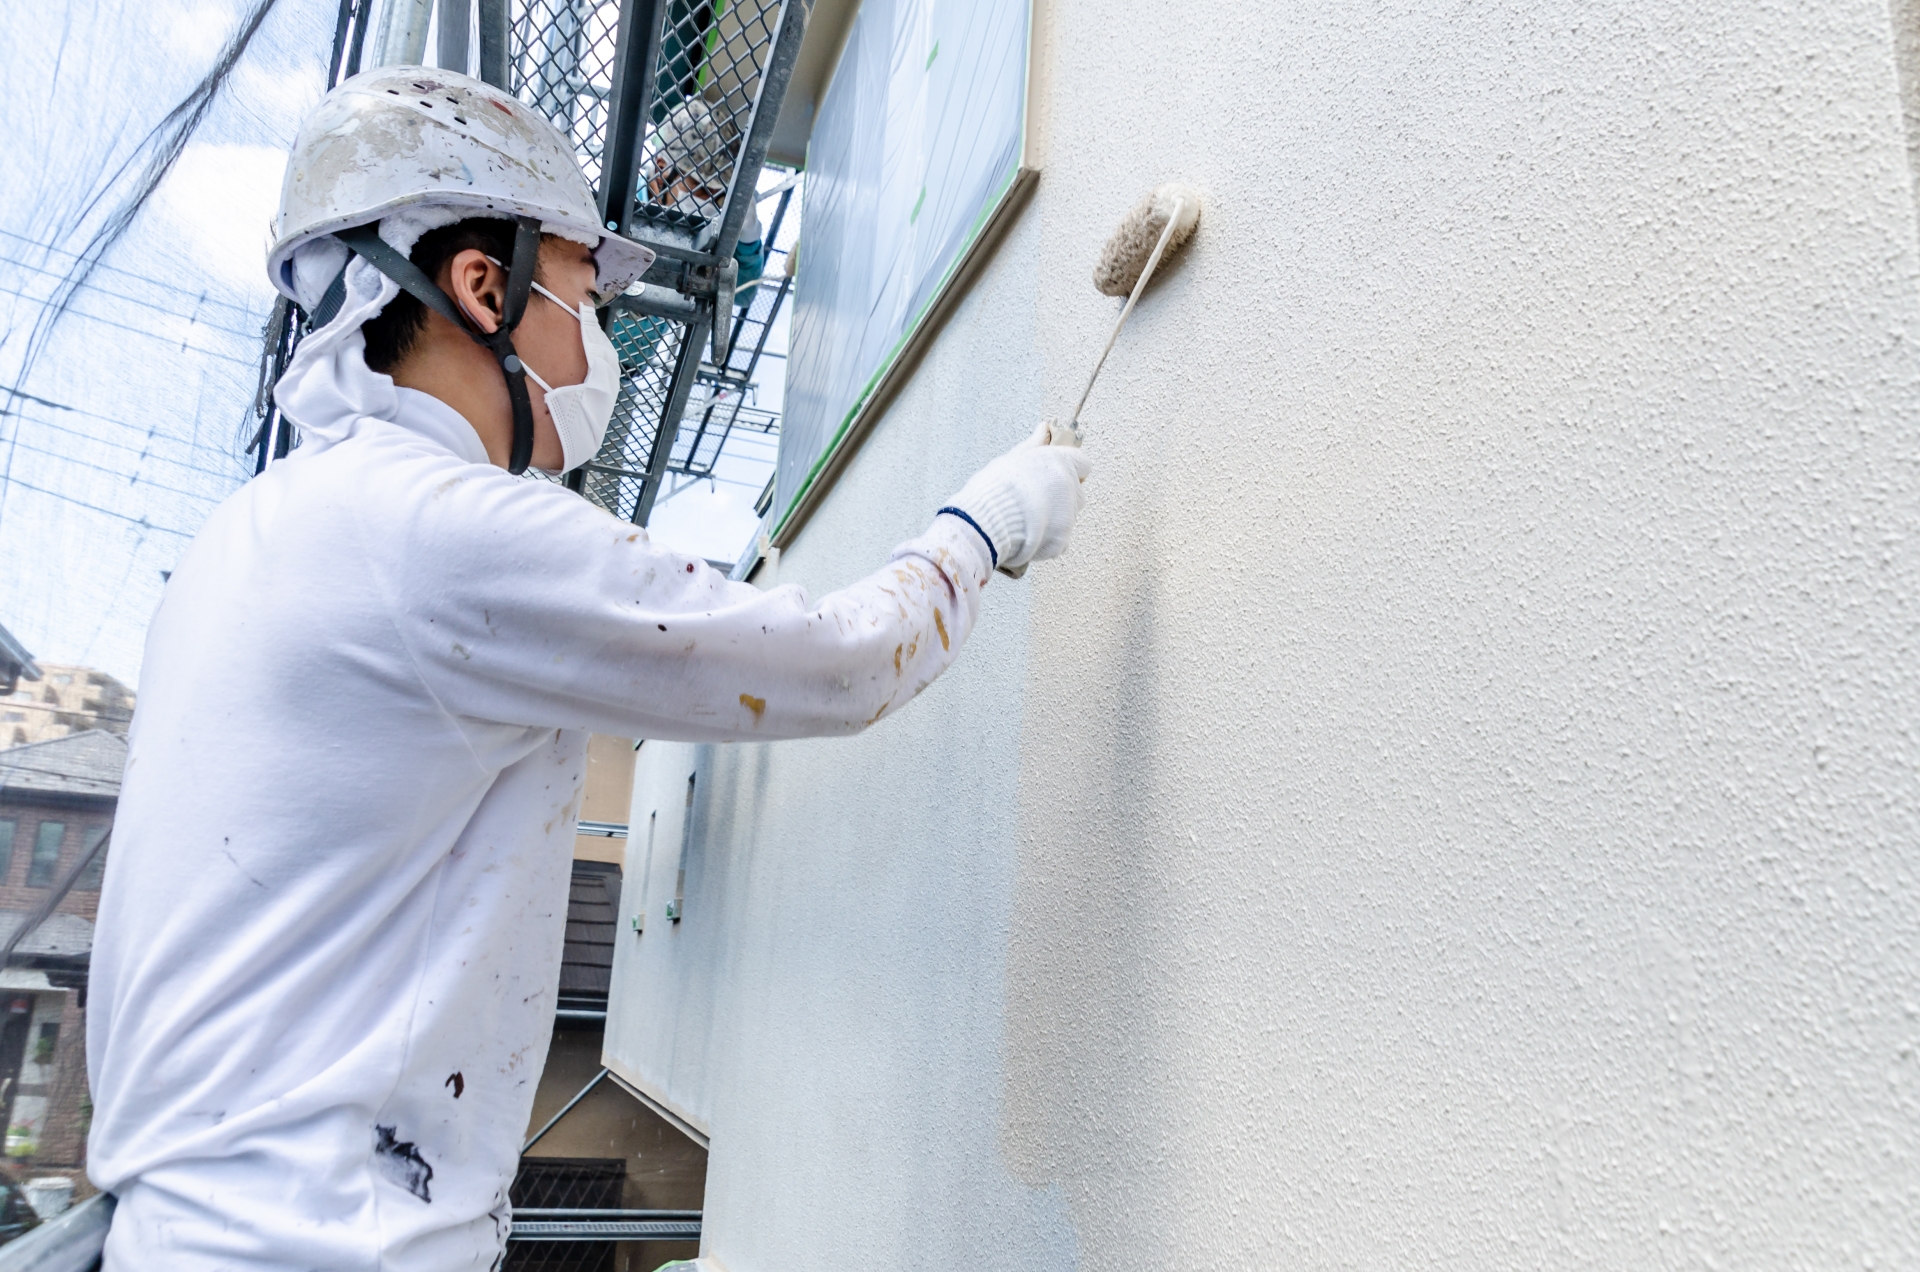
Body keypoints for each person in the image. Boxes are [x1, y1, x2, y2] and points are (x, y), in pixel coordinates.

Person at [84, 66, 1089, 1269]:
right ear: (482, 285)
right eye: (583, 293)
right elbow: (840, 662)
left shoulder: (262, 530)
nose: (600, 339)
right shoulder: (442, 531)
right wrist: (987, 527)